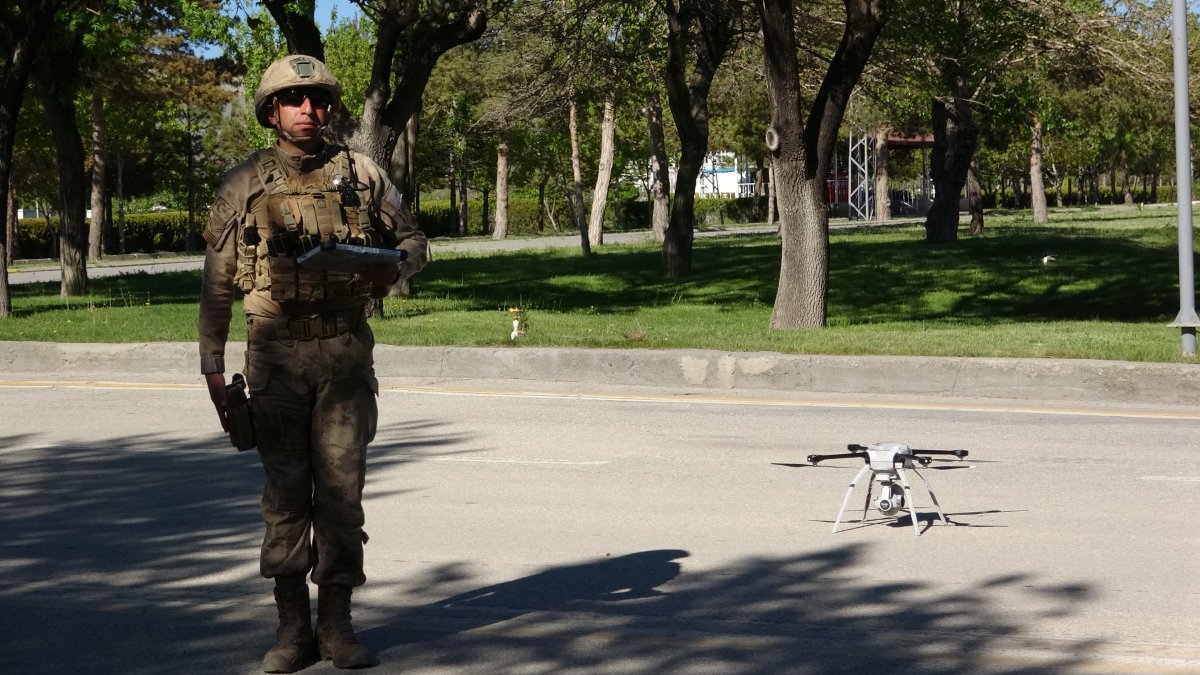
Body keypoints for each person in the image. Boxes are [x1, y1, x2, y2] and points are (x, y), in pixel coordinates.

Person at [198, 54, 427, 672]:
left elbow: (414, 240)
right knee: (285, 497)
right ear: (271, 110)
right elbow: (218, 286)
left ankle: (337, 626)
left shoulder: (362, 173)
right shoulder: (243, 183)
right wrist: (214, 371)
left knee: (342, 496)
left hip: (345, 358)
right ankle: (291, 629)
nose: (309, 111)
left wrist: (396, 266)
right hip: (273, 357)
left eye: (319, 100)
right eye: (295, 100)